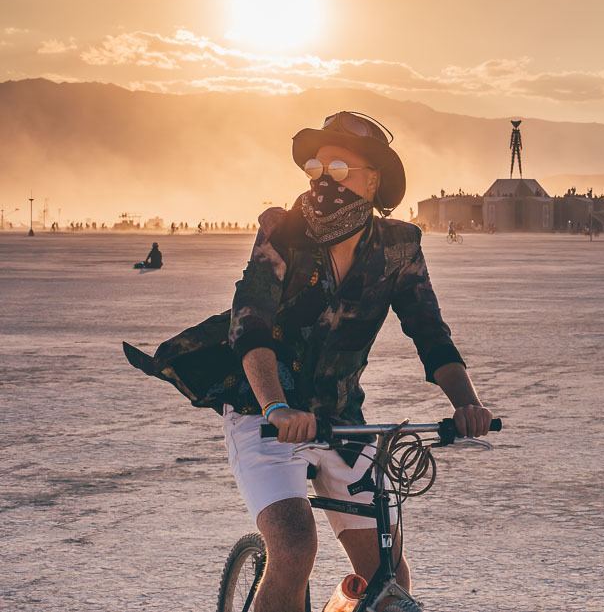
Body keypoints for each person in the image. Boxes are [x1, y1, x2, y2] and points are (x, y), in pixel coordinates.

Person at [126, 111, 493, 612]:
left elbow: (430, 334)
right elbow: (250, 325)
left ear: (373, 180)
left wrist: (468, 405)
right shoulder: (282, 233)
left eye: (339, 169)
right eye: (316, 168)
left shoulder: (399, 248)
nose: (323, 180)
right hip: (265, 412)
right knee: (295, 546)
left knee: (388, 571)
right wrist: (276, 407)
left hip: (342, 419)